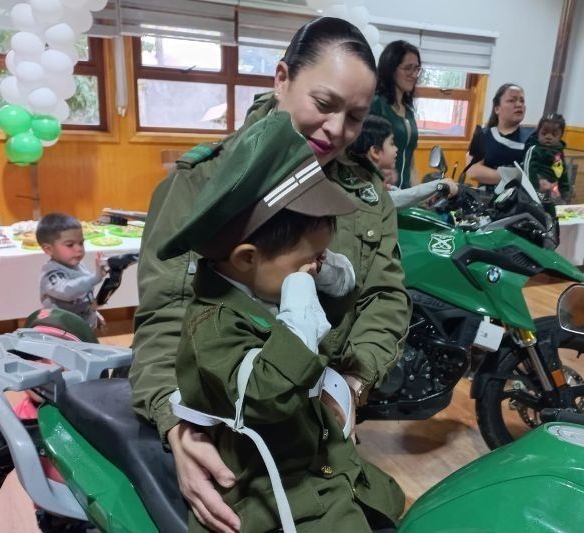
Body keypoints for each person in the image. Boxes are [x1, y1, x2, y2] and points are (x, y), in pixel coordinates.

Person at [129, 17, 411, 533]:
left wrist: (352, 381)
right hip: (238, 440)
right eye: (323, 105)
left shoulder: (366, 194)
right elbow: (166, 320)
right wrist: (180, 428)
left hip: (326, 431)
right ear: (281, 78)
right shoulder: (205, 184)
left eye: (355, 117)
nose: (336, 130)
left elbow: (384, 297)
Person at [348, 114, 457, 209]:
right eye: (391, 143)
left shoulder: (371, 178)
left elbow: (396, 196)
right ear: (375, 151)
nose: (396, 149)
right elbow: (392, 200)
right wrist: (438, 185)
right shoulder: (358, 182)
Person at [37, 213, 108, 329]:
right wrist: (94, 278)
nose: (79, 249)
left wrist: (94, 314)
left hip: (84, 328)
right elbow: (67, 291)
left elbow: (85, 295)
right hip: (62, 332)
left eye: (81, 243)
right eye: (70, 245)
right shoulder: (50, 274)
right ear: (48, 249)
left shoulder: (80, 266)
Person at [369, 40, 420, 190]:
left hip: (404, 194)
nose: (414, 74)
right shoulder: (376, 104)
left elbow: (411, 163)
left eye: (417, 69)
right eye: (408, 68)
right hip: (382, 192)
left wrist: (418, 194)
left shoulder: (409, 111)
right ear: (391, 69)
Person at [464, 83, 529, 191]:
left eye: (522, 101)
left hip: (522, 201)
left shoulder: (532, 137)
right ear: (497, 108)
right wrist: (516, 177)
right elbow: (473, 171)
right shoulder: (482, 135)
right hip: (487, 199)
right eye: (511, 100)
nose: (519, 104)